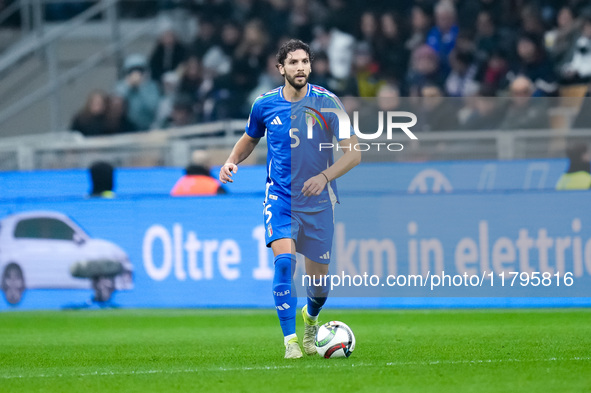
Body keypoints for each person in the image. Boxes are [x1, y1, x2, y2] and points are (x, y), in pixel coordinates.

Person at [218, 39, 361, 359]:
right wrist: (231, 161)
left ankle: (311, 321)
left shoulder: (328, 102)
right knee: (284, 262)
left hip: (320, 202)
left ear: (311, 66)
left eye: (305, 61)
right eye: (293, 62)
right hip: (280, 197)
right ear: (280, 68)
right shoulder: (264, 104)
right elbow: (249, 138)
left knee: (319, 286)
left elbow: (354, 154)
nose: (301, 67)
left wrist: (325, 177)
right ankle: (291, 342)